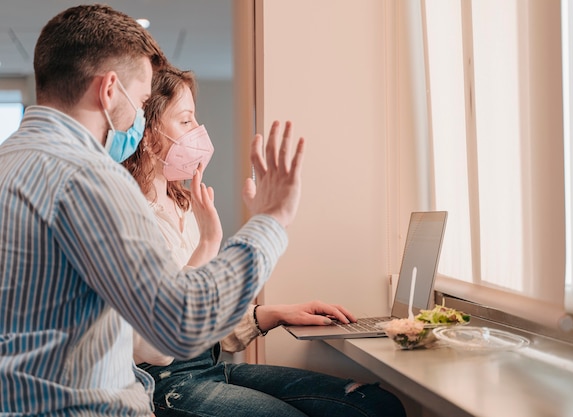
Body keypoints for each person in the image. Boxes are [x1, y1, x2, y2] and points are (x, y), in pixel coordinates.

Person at [0, 5, 304, 416]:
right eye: (140, 100)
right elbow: (174, 328)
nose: (139, 122)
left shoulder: (10, 160)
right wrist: (271, 220)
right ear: (109, 90)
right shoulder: (90, 178)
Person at [121, 66, 407, 417]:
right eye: (186, 121)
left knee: (377, 406)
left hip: (208, 368)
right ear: (148, 137)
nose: (199, 133)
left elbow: (209, 315)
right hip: (163, 381)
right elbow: (158, 341)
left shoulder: (184, 202)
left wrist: (271, 314)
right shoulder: (129, 214)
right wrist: (209, 243)